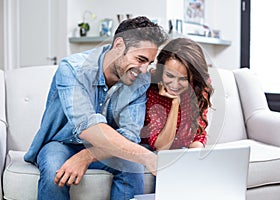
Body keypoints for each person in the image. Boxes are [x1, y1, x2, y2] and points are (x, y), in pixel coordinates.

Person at [24, 16, 168, 200]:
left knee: (132, 166)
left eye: (149, 62)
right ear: (118, 46)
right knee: (55, 171)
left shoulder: (140, 80)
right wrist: (146, 156)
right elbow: (88, 127)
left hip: (110, 148)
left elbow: (130, 134)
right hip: (61, 143)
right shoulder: (74, 69)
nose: (144, 69)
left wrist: (88, 155)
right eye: (140, 59)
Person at [141, 38, 213, 151]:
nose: (174, 85)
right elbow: (161, 147)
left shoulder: (199, 89)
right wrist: (175, 104)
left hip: (183, 152)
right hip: (152, 153)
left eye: (183, 79)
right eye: (169, 76)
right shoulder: (152, 90)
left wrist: (196, 157)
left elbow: (198, 137)